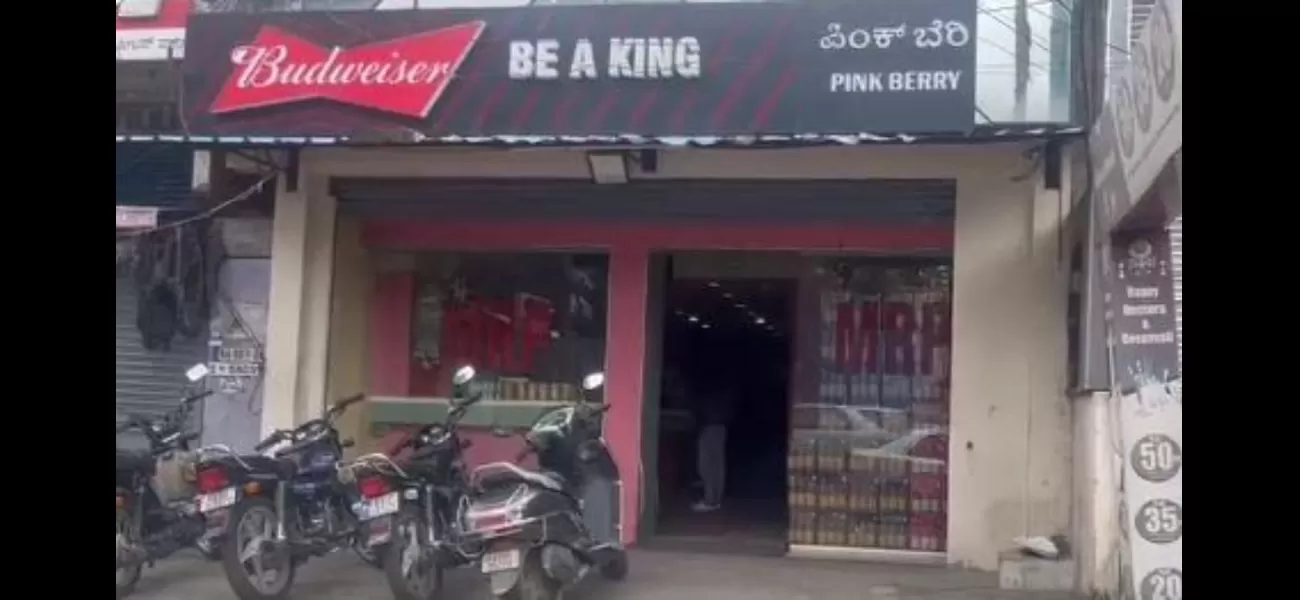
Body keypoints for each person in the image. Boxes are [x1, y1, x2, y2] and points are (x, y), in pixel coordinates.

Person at [693, 368, 738, 513]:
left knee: (706, 466)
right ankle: (715, 499)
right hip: (721, 427)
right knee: (717, 466)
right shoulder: (727, 390)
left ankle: (710, 500)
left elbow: (703, 408)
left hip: (710, 427)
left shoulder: (711, 390)